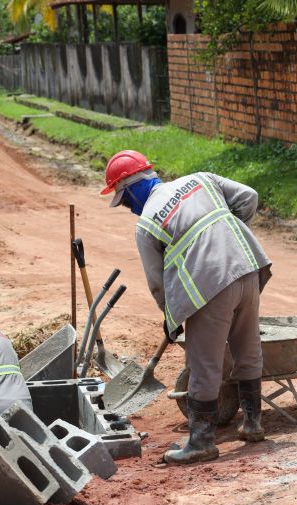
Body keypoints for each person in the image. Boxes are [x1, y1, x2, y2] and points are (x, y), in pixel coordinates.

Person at [102, 150, 272, 465]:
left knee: (203, 365)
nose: (129, 208)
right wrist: (228, 237)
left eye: (125, 201)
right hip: (248, 269)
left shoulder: (147, 224)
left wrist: (171, 318)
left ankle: (201, 442)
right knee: (247, 348)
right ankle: (252, 424)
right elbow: (249, 197)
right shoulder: (201, 179)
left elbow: (157, 283)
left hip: (210, 290)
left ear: (133, 189)